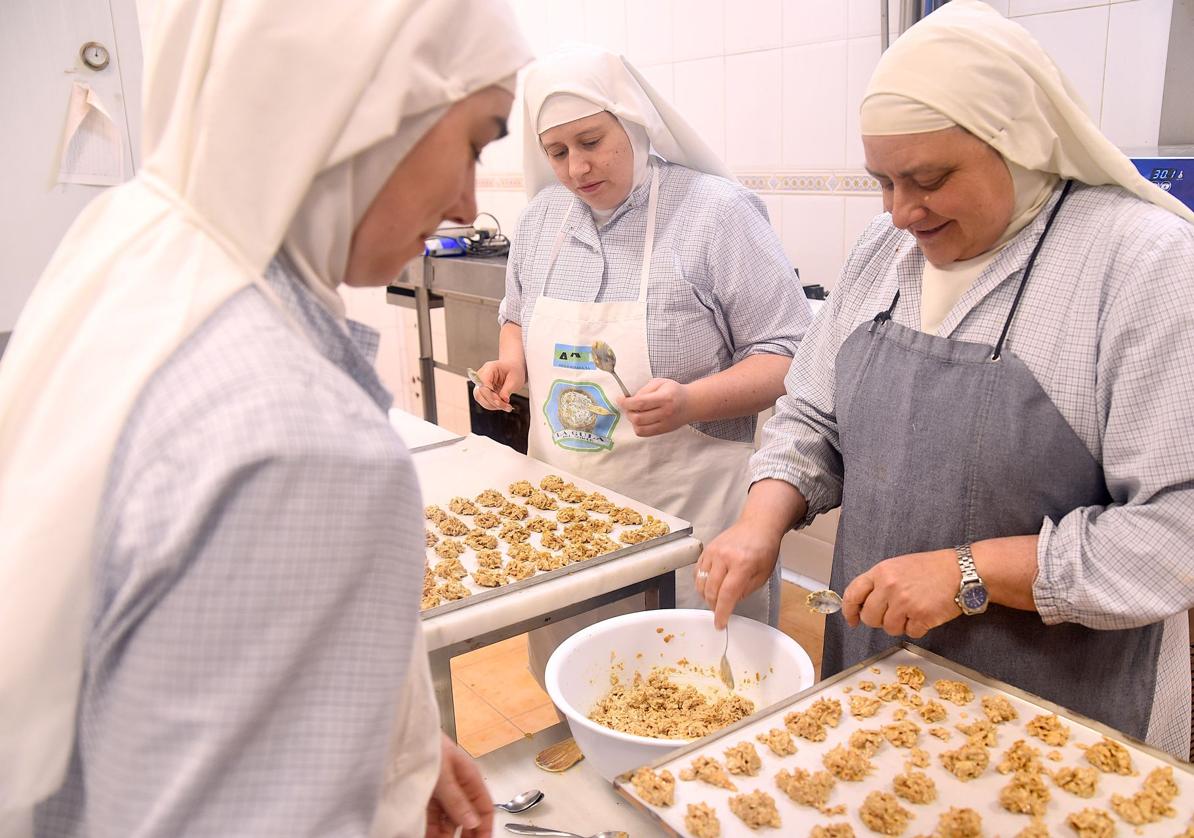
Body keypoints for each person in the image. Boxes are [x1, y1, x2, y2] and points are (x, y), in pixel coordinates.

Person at [0, 1, 531, 835]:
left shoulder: (144, 247)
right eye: (474, 141)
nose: (469, 203)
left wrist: (386, 750)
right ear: (364, 99)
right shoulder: (302, 449)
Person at [698, 0, 1194, 760]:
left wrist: (971, 572)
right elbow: (812, 416)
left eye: (927, 178)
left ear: (1019, 143)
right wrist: (760, 523)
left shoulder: (1142, 265)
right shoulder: (883, 253)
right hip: (880, 672)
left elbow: (1175, 530)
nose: (899, 213)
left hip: (1058, 707)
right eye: (882, 182)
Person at [472, 46, 811, 676]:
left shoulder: (715, 215)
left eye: (592, 141)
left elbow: (791, 355)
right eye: (558, 151)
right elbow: (516, 309)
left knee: (697, 686)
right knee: (582, 676)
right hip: (570, 509)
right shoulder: (544, 217)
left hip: (689, 509)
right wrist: (510, 361)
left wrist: (692, 402)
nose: (577, 167)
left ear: (631, 124)